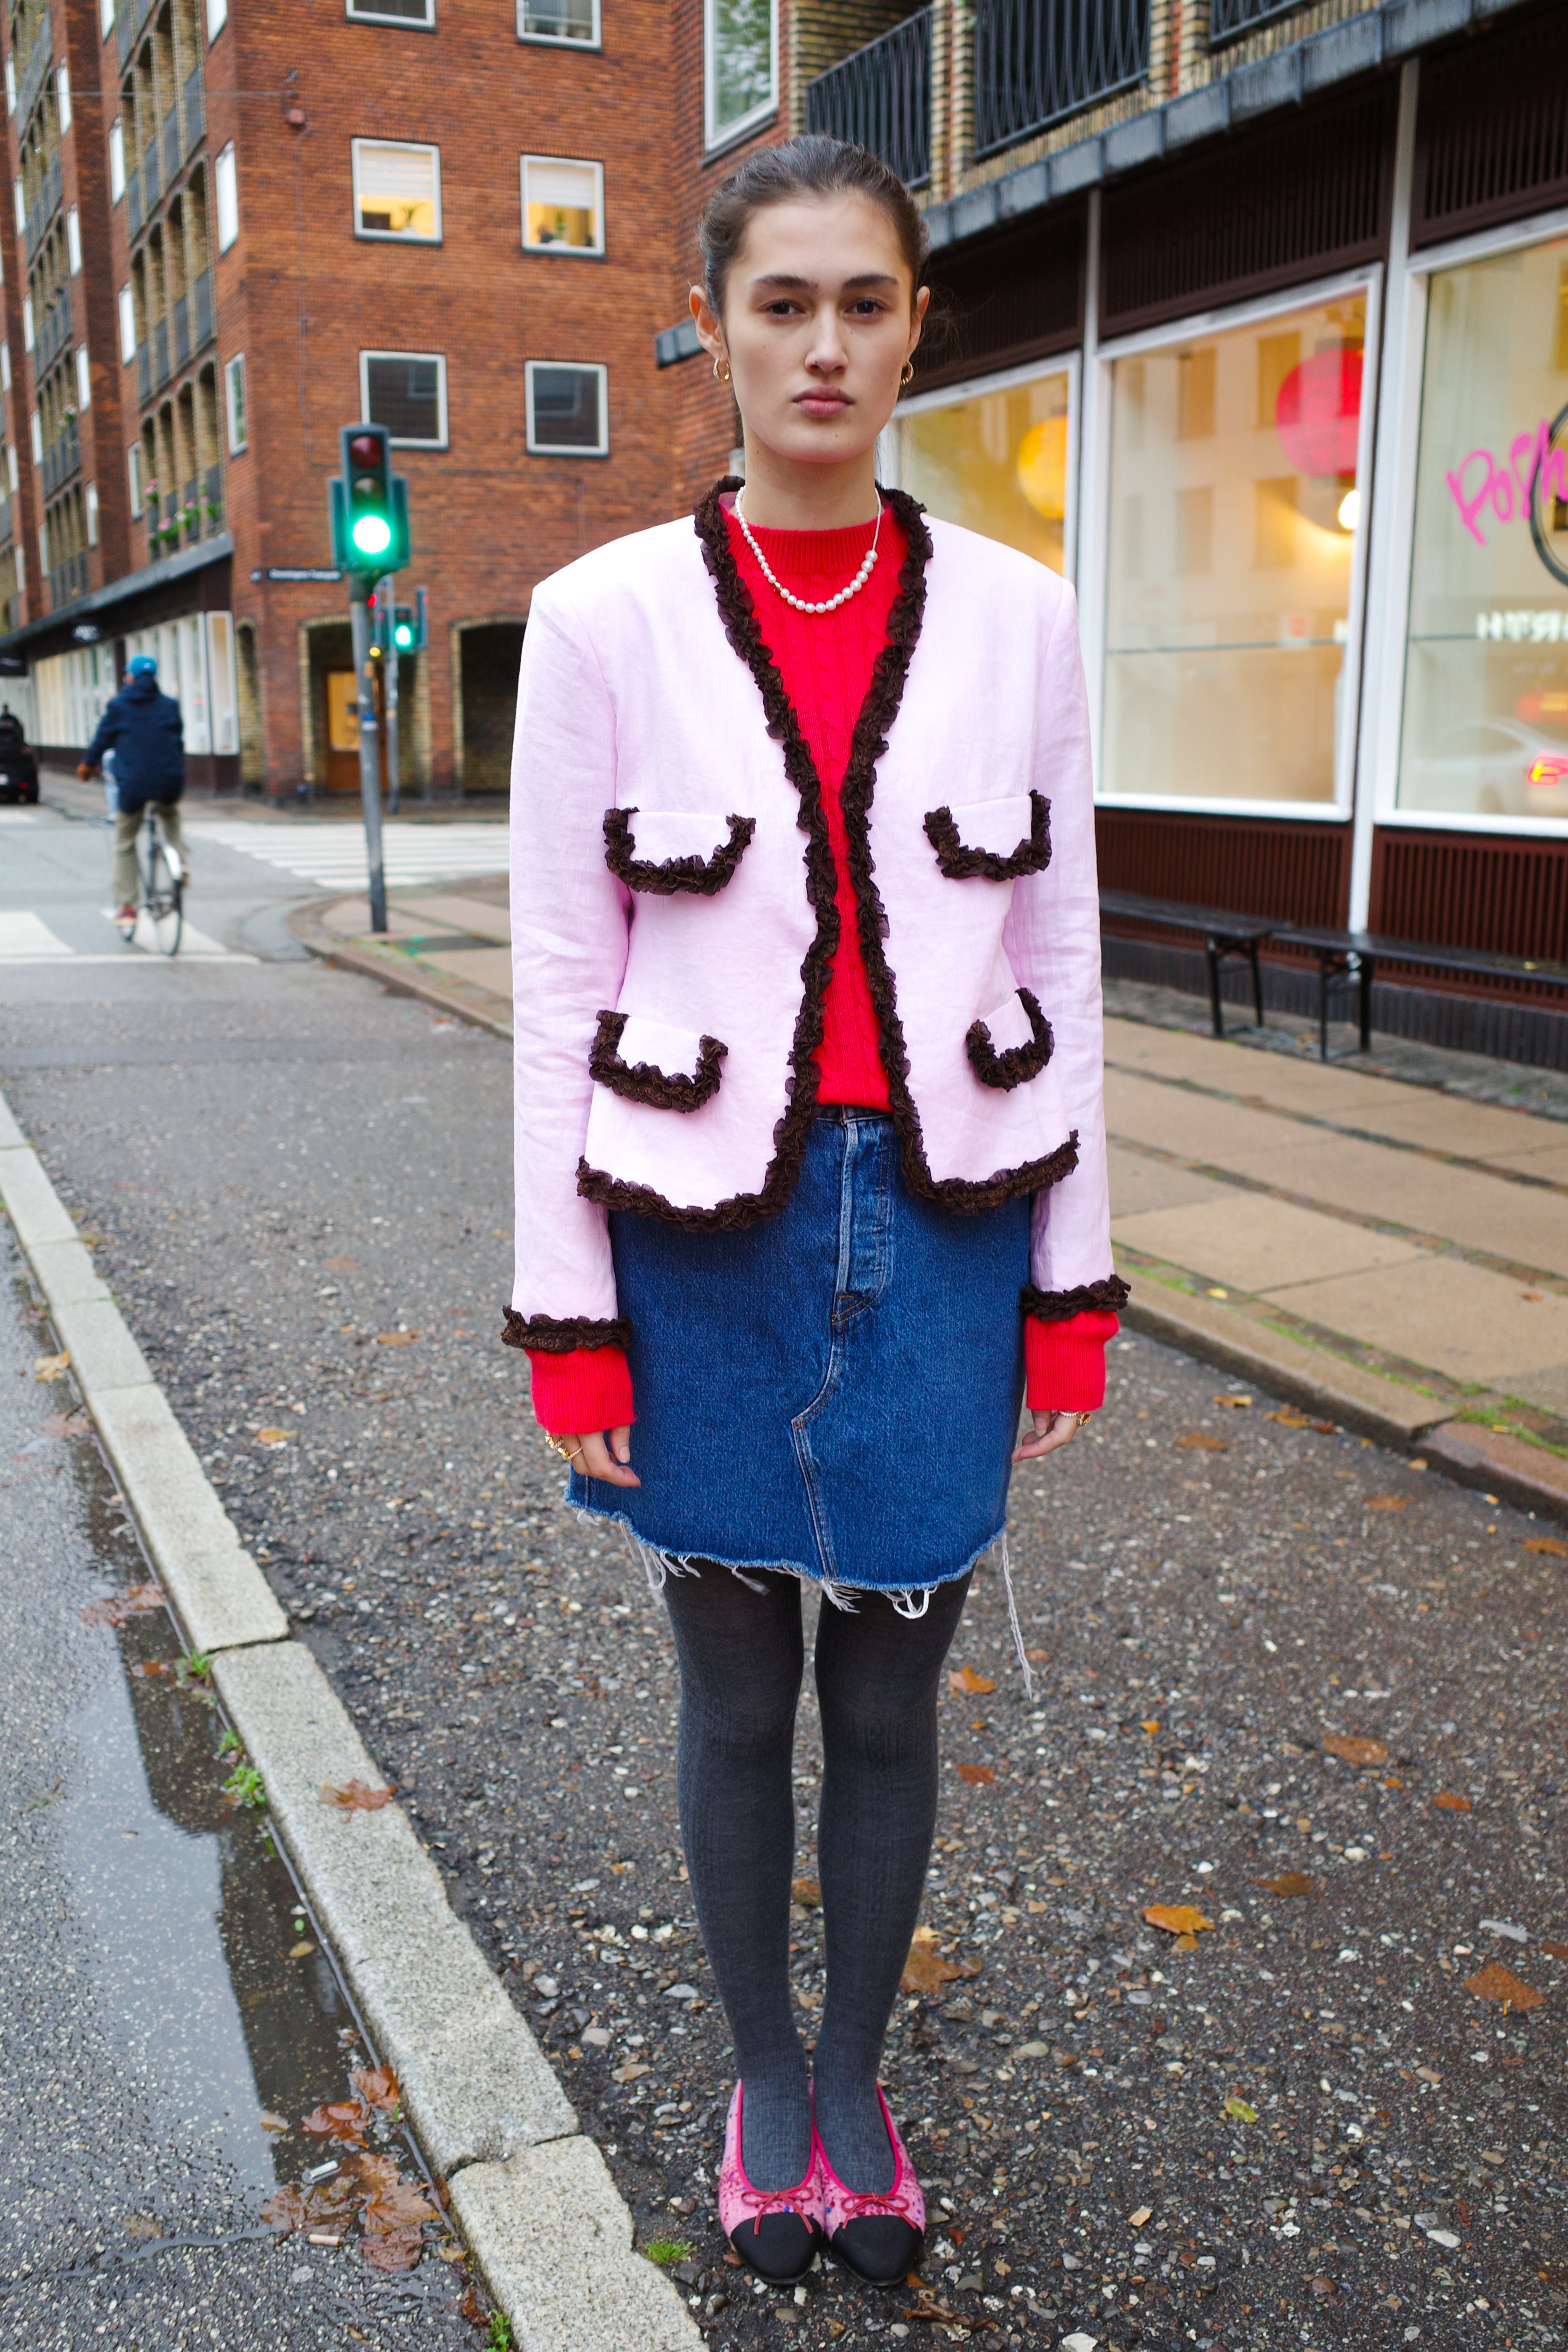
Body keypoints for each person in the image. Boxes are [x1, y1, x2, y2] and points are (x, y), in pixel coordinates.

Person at [505, 136, 1125, 2295]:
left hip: (946, 1228)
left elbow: (1055, 952)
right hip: (692, 1231)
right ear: (713, 322)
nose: (823, 345)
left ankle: (855, 2081)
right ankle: (759, 2075)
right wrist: (560, 1314)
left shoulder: (1025, 618)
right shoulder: (595, 625)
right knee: (727, 1686)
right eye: (782, 302)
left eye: (863, 301)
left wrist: (1070, 1283)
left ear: (915, 322)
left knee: (884, 1693)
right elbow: (563, 985)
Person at [78, 654, 186, 923]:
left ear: (131, 678)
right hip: (170, 780)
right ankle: (179, 859)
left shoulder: (119, 706)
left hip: (135, 785)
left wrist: (88, 766)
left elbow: (102, 739)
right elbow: (177, 741)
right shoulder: (170, 706)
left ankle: (128, 907)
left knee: (125, 842)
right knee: (170, 812)